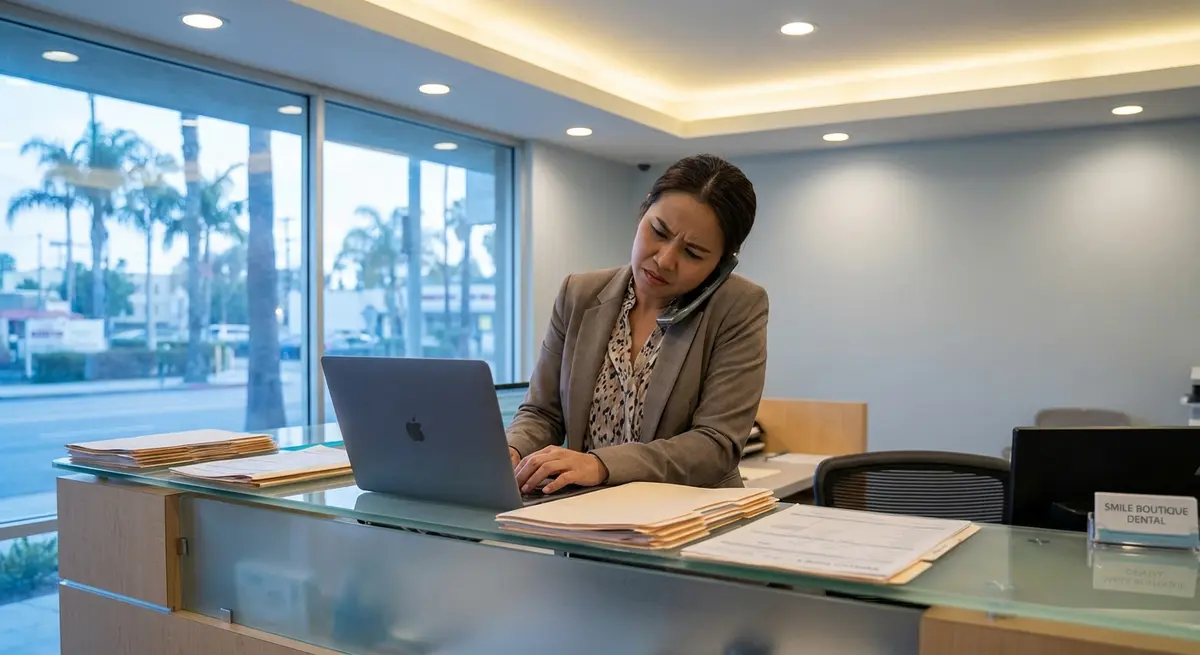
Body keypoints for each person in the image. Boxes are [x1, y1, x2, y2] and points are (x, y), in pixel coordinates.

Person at [507, 153, 769, 495]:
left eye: (692, 253)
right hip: (582, 516)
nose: (664, 260)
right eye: (658, 231)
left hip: (687, 521)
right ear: (643, 211)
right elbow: (542, 413)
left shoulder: (738, 306)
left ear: (723, 264)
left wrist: (602, 464)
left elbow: (716, 444)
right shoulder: (580, 293)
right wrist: (512, 451)